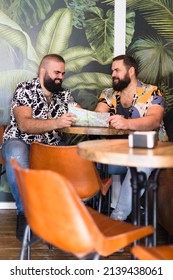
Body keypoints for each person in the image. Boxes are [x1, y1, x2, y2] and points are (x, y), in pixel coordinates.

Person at [1, 54, 78, 240]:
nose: (60, 77)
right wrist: (57, 122)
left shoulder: (64, 94)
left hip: (50, 144)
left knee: (77, 156)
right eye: (56, 72)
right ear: (42, 71)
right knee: (16, 153)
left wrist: (100, 119)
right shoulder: (25, 88)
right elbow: (24, 125)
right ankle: (25, 215)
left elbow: (80, 114)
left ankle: (74, 215)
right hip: (20, 141)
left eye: (63, 73)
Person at [95, 54, 168, 221]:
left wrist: (126, 123)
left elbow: (154, 120)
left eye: (117, 70)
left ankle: (116, 220)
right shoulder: (109, 94)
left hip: (149, 150)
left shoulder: (152, 92)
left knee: (139, 163)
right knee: (84, 157)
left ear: (131, 71)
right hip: (118, 152)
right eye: (112, 70)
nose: (113, 74)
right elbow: (98, 117)